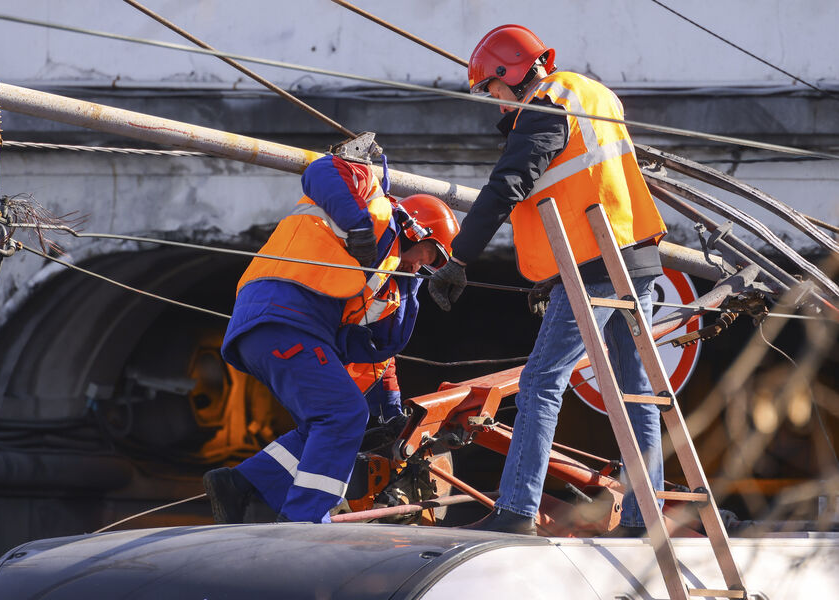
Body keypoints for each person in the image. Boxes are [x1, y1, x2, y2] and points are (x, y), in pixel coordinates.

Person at [429, 25, 667, 535]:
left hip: (593, 267)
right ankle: (645, 519)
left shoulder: (546, 106)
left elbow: (506, 188)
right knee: (636, 391)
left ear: (511, 72)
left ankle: (517, 510)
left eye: (493, 87)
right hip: (633, 257)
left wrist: (459, 259)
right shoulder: (592, 93)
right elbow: (587, 186)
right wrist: (550, 274)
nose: (495, 100)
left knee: (540, 383)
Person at [204, 154, 460, 524]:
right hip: (285, 318)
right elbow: (323, 170)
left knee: (322, 424)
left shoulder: (384, 279)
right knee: (344, 415)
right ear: (419, 231)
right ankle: (305, 519)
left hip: (271, 330)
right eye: (431, 256)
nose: (421, 267)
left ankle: (240, 485)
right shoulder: (371, 209)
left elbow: (377, 354)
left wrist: (391, 411)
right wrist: (359, 228)